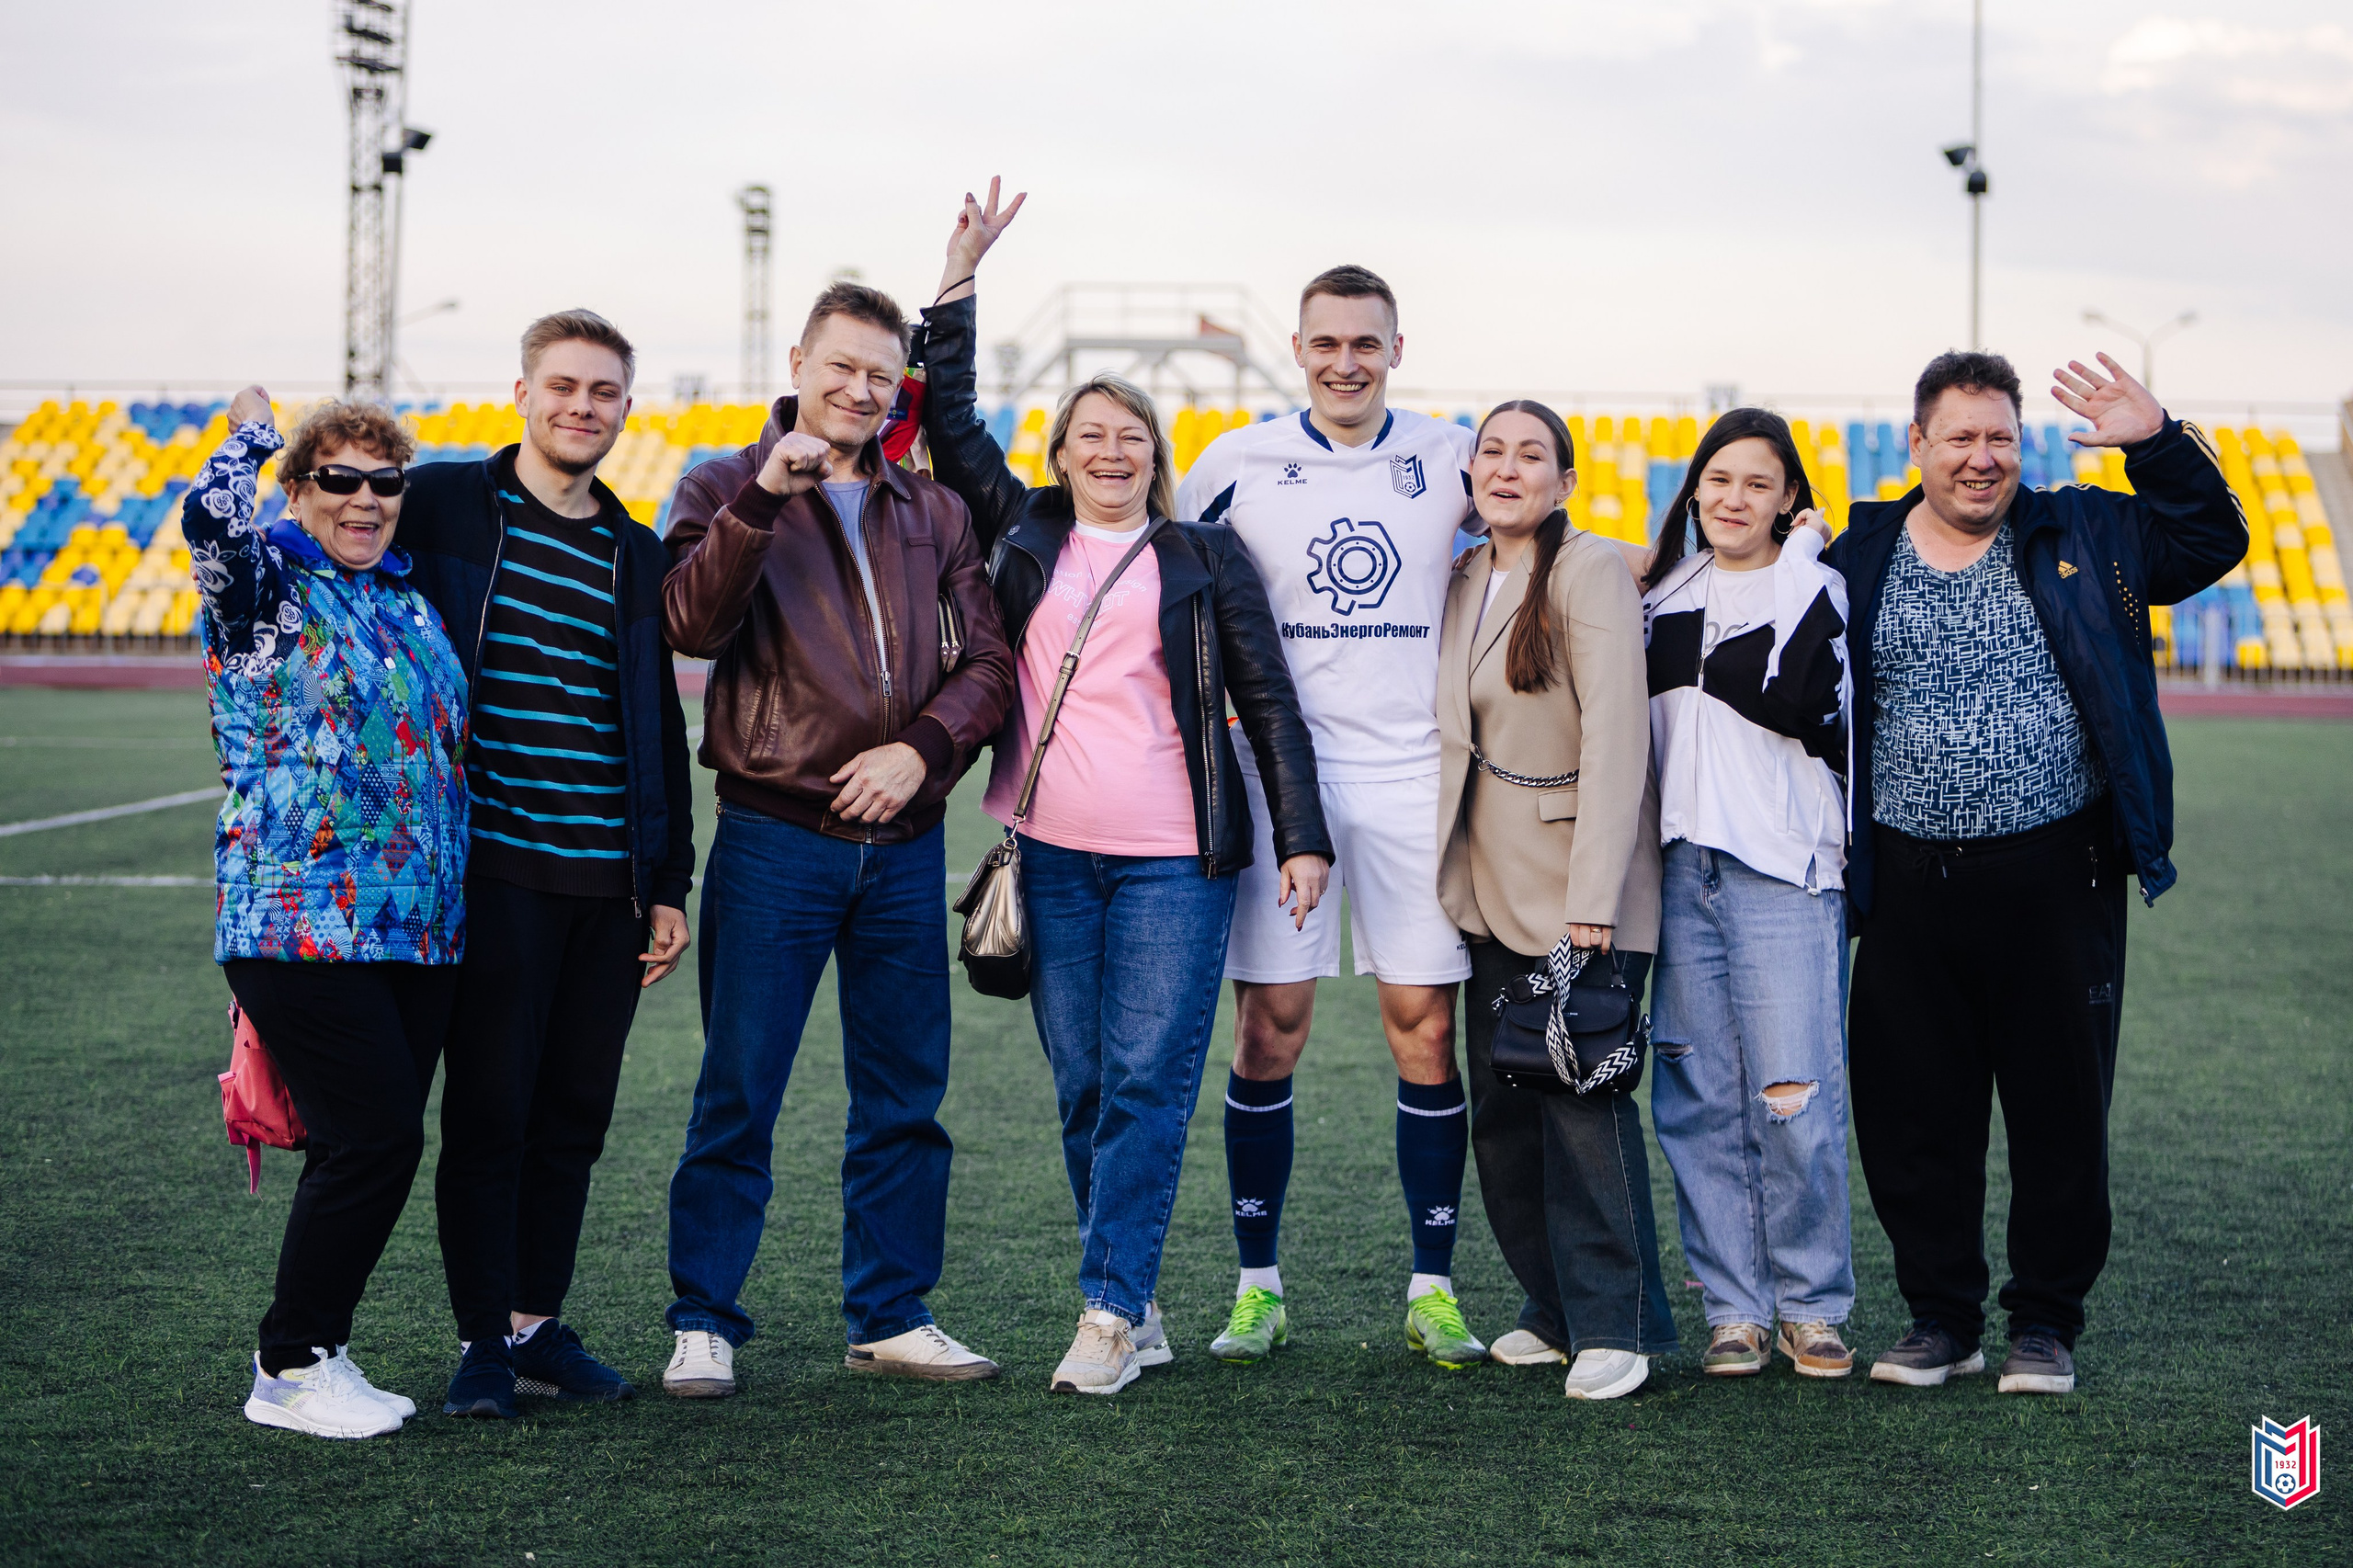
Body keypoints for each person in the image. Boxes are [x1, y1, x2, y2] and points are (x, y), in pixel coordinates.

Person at [918, 183, 1332, 1394]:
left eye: (1132, 437)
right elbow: (949, 423)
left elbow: (1266, 700)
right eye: (1091, 436)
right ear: (1059, 455)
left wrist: (1300, 835)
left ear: (1157, 454)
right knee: (1086, 1080)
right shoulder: (1023, 533)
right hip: (1048, 852)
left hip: (1174, 859)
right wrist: (957, 280)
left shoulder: (1204, 555)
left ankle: (1104, 1314)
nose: (1112, 452)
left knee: (1150, 1075)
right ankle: (1137, 1290)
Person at [1833, 351, 2245, 1396]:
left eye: (2000, 438)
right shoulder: (1855, 552)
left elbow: (2212, 537)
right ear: (1915, 443)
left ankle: (2045, 1322)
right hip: (1908, 880)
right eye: (1960, 437)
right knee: (1913, 1109)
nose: (1983, 459)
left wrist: (2156, 441)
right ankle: (1939, 1317)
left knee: (2059, 1108)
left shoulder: (2085, 530)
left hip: (2058, 871)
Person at [657, 280, 1016, 1397]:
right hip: (774, 840)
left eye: (879, 373)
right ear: (801, 360)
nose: (859, 389)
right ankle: (704, 1317)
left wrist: (923, 747)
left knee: (905, 1091)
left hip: (906, 843)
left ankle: (892, 1312)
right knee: (739, 1089)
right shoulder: (723, 481)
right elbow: (688, 624)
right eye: (841, 366)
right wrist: (763, 498)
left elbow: (989, 664)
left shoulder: (934, 508)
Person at [1175, 265, 1487, 1369]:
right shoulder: (1234, 461)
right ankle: (1257, 1283)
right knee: (1271, 1024)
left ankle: (1433, 1287)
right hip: (1281, 777)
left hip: (1416, 776)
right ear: (1297, 351)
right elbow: (1147, 569)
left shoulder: (1454, 453)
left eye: (1366, 343)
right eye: (1325, 344)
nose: (1345, 362)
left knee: (1426, 1025)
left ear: (1396, 349)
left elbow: (1545, 549)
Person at [393, 311, 697, 1419]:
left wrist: (669, 881)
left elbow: (657, 721)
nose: (583, 406)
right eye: (564, 385)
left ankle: (533, 1322)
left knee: (573, 1116)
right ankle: (480, 1336)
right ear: (519, 391)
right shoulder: (438, 505)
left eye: (604, 392)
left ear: (625, 406)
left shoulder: (632, 546)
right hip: (492, 876)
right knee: (490, 1114)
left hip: (605, 888)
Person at [194, 389, 471, 1439]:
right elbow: (214, 526)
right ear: (300, 492)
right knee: (374, 1139)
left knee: (364, 1143)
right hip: (299, 917)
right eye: (338, 480)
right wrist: (252, 442)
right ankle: (290, 1363)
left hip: (420, 924)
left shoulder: (405, 597)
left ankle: (321, 1345)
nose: (365, 501)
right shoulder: (263, 588)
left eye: (384, 481)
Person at [1437, 400, 1674, 1399]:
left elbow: (1618, 735)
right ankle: (1552, 1303)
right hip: (1486, 883)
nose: (1507, 467)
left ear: (1564, 482)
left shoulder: (1586, 574)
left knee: (1583, 1099)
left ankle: (1617, 1322)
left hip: (1576, 884)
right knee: (1503, 1105)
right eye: (1491, 450)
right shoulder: (1461, 576)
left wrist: (1595, 900)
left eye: (1530, 454)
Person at [1638, 408, 1857, 1380]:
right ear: (1694, 488)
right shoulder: (1660, 594)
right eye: (1718, 479)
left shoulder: (1814, 589)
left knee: (1794, 1098)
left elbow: (1794, 692)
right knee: (1695, 1099)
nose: (1733, 498)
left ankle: (1810, 1303)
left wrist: (1803, 556)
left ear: (1787, 499)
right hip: (1680, 870)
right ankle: (1734, 1306)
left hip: (1783, 870)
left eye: (1757, 484)